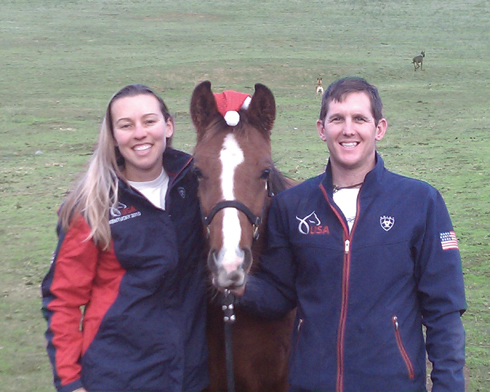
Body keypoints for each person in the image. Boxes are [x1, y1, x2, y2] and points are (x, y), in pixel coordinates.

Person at [237, 77, 466, 391]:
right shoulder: (292, 205)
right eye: (337, 119)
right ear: (321, 129)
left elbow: (444, 311)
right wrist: (237, 285)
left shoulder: (420, 202)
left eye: (360, 118)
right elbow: (280, 295)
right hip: (311, 384)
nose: (348, 129)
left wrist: (448, 386)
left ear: (379, 128)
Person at [41, 84, 209, 392]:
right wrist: (70, 382)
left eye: (149, 121)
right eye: (126, 125)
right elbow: (62, 300)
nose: (140, 133)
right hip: (118, 376)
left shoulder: (196, 186)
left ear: (168, 125)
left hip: (189, 375)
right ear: (114, 136)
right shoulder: (91, 205)